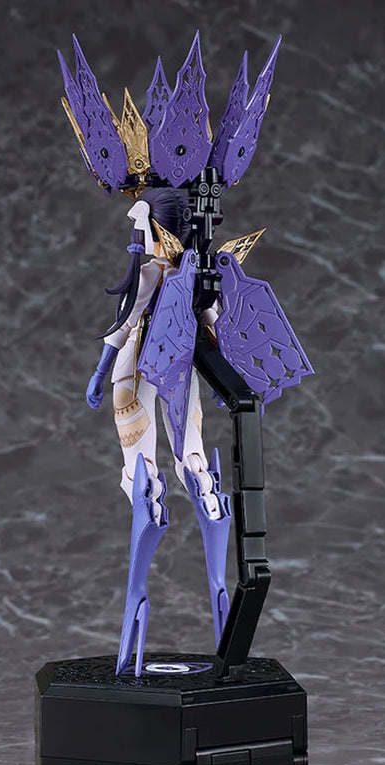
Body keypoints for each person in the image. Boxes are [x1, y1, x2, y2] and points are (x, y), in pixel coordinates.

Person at [86, 188, 231, 676]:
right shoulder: (195, 277)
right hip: (176, 369)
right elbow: (214, 328)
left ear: (155, 228)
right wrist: (225, 380)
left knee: (143, 472)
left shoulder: (154, 274)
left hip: (140, 370)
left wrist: (99, 370)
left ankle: (138, 607)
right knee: (192, 463)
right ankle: (219, 591)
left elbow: (125, 323)